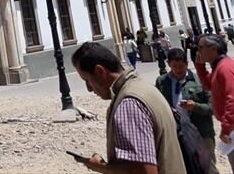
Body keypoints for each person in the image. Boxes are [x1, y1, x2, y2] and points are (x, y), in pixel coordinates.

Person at [72, 41, 185, 173]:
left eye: (87, 80)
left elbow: (145, 171)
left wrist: (101, 167)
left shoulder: (129, 103)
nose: (89, 89)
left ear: (100, 71)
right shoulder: (142, 87)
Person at [155, 48, 217, 172]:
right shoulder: (162, 82)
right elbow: (158, 105)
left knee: (207, 168)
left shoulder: (200, 80)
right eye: (174, 66)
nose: (178, 70)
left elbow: (213, 108)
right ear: (168, 64)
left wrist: (195, 106)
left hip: (201, 132)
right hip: (176, 134)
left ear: (187, 64)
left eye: (181, 66)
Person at [195, 34, 234, 170]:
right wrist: (200, 66)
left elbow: (232, 99)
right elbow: (209, 85)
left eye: (200, 47)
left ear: (213, 49)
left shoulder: (225, 68)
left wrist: (226, 128)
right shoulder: (219, 67)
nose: (197, 51)